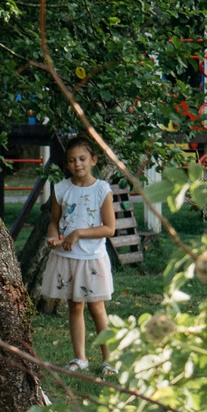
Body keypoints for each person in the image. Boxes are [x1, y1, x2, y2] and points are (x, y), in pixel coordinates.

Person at [41, 137, 116, 364]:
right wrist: (53, 236)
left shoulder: (102, 190)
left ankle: (109, 359)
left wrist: (79, 233)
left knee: (96, 307)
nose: (78, 164)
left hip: (91, 258)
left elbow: (109, 228)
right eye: (72, 160)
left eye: (82, 159)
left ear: (93, 160)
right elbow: (54, 220)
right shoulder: (61, 188)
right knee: (74, 306)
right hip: (66, 257)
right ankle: (80, 358)